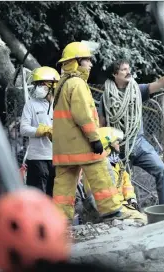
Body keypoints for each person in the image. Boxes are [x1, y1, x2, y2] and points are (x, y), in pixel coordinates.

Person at [52, 41, 126, 222]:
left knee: (63, 186)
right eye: (87, 60)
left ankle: (60, 220)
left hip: (63, 148)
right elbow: (83, 115)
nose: (91, 64)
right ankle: (111, 211)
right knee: (99, 171)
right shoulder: (77, 84)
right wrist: (95, 139)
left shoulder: (62, 84)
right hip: (82, 145)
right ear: (76, 62)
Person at [99, 59, 164, 205]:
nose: (128, 72)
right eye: (123, 69)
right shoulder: (106, 97)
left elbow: (159, 83)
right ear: (114, 74)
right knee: (117, 182)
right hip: (117, 147)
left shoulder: (137, 90)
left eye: (128, 68)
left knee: (161, 170)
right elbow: (101, 124)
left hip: (139, 143)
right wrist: (108, 143)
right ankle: (123, 212)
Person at [20, 66, 59, 196]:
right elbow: (23, 129)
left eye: (41, 84)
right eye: (36, 84)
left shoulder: (61, 104)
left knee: (54, 197)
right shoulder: (31, 104)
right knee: (37, 197)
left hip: (58, 158)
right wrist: (41, 131)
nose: (38, 87)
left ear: (52, 85)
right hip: (37, 158)